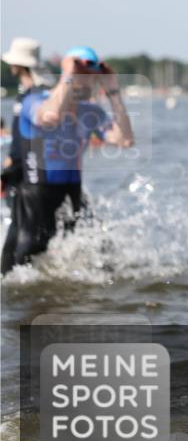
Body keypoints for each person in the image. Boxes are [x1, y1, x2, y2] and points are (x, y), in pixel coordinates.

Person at [2, 47, 133, 273]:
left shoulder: (90, 112)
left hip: (71, 193)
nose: (86, 83)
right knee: (17, 266)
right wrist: (68, 73)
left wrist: (112, 91)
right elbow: (50, 116)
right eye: (81, 76)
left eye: (91, 78)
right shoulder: (34, 100)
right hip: (35, 196)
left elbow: (124, 139)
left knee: (104, 256)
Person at [1, 37, 47, 273]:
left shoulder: (37, 95)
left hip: (31, 176)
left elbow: (33, 142)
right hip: (20, 173)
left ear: (20, 64)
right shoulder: (25, 94)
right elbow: (18, 141)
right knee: (18, 239)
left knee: (17, 243)